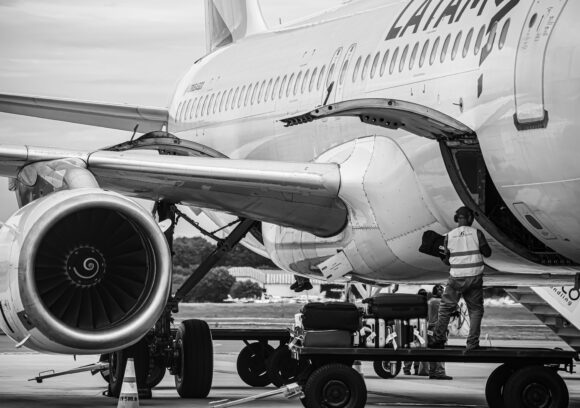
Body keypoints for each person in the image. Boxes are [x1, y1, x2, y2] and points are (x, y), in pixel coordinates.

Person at [430, 206, 491, 351]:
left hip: (456, 278)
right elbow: (487, 253)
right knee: (475, 311)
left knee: (445, 309)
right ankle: (472, 344)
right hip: (474, 278)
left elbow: (446, 261)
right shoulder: (477, 233)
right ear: (469, 218)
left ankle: (438, 340)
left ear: (457, 219)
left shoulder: (449, 236)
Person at [424, 284, 452, 380]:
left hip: (430, 328)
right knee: (441, 350)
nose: (444, 292)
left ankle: (432, 372)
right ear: (439, 291)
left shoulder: (429, 301)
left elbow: (427, 317)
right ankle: (440, 372)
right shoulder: (440, 302)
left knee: (432, 350)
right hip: (439, 328)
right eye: (442, 290)